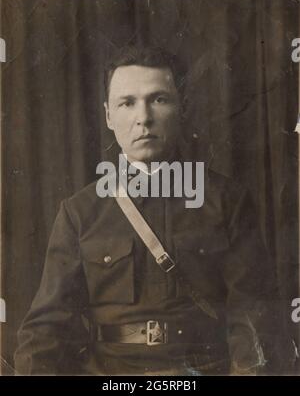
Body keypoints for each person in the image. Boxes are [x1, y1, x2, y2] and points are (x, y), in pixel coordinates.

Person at [14, 45, 281, 375]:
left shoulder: (226, 200)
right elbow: (45, 330)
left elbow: (253, 316)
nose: (143, 118)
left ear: (180, 107)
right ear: (109, 116)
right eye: (127, 103)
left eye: (159, 99)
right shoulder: (80, 212)